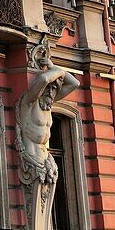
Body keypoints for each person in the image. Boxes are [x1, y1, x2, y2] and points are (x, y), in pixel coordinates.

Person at [15, 45, 79, 184]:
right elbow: (44, 80)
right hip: (31, 162)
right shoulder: (29, 102)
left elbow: (75, 83)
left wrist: (55, 67)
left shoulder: (48, 102)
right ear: (41, 90)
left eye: (54, 89)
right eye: (49, 90)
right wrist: (56, 70)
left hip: (46, 162)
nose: (51, 93)